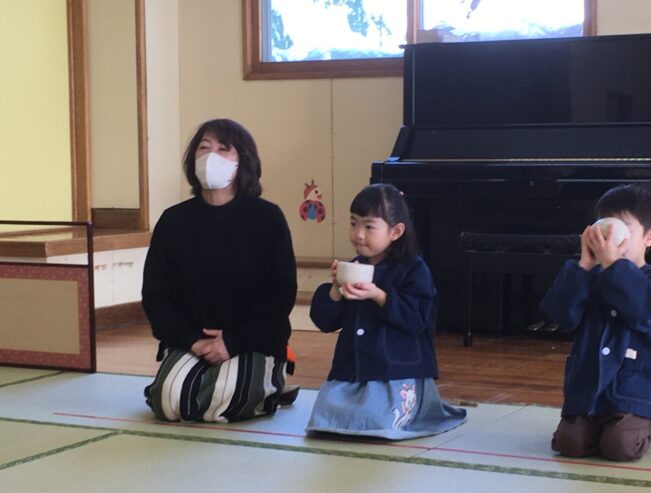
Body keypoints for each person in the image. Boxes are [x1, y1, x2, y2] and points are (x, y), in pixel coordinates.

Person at [142, 118, 298, 423]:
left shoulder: (267, 218)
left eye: (223, 149)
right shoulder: (173, 221)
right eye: (204, 148)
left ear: (243, 161)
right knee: (168, 404)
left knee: (227, 400)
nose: (210, 156)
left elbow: (281, 295)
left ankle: (270, 386)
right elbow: (155, 294)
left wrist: (233, 342)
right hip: (193, 342)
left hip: (251, 341)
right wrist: (192, 340)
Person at [306, 183, 466, 439]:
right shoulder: (355, 266)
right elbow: (325, 321)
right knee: (325, 416)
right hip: (352, 369)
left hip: (395, 372)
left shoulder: (414, 269)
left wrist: (378, 296)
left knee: (377, 420)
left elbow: (418, 320)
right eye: (353, 223)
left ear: (396, 231)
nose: (358, 234)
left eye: (369, 226)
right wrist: (336, 289)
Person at [540, 183, 651, 461]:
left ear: (649, 237)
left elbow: (648, 313)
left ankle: (634, 425)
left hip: (635, 392)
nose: (610, 238)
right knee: (570, 443)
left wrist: (615, 265)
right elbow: (561, 315)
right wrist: (583, 266)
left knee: (619, 446)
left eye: (622, 229)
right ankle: (597, 427)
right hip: (588, 388)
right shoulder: (587, 276)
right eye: (604, 228)